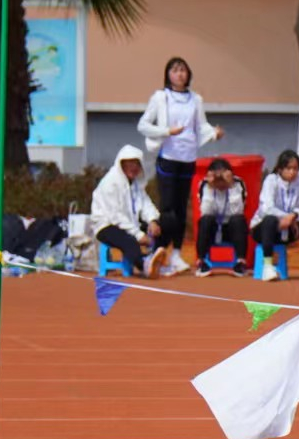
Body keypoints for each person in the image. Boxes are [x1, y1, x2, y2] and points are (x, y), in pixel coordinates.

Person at [137, 57, 223, 275]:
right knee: (168, 210)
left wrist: (214, 133)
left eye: (183, 70)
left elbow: (201, 126)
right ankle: (159, 250)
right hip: (168, 156)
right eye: (175, 70)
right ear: (168, 74)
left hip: (188, 158)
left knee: (181, 208)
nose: (179, 74)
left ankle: (175, 253)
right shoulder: (161, 97)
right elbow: (143, 125)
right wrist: (166, 131)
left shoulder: (196, 99)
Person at [90, 145, 169, 278]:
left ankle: (155, 258)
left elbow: (146, 204)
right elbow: (116, 216)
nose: (134, 167)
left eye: (137, 164)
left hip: (130, 224)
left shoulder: (136, 184)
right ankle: (144, 264)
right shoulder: (110, 183)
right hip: (106, 225)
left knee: (166, 223)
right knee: (129, 241)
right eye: (130, 163)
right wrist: (138, 235)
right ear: (121, 163)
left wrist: (152, 221)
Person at [251, 150, 299, 283]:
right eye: (289, 168)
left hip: (291, 228)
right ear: (280, 168)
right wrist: (286, 218)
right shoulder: (271, 180)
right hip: (264, 229)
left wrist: (293, 216)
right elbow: (267, 208)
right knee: (269, 220)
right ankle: (268, 266)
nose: (292, 172)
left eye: (296, 169)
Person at [194, 158, 249, 277]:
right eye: (217, 179)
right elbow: (205, 211)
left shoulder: (238, 184)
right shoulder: (204, 185)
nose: (220, 183)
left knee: (239, 220)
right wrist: (210, 187)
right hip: (212, 228)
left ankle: (240, 262)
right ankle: (201, 261)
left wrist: (230, 186)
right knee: (205, 220)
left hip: (230, 228)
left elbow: (237, 210)